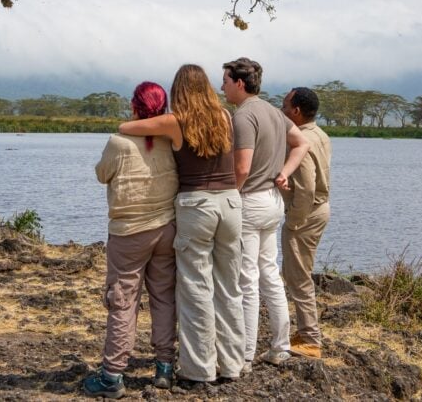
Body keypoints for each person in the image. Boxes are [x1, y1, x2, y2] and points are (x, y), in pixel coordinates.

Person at [119, 64, 246, 383]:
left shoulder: (177, 121)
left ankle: (198, 369)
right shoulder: (225, 117)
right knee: (229, 288)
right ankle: (232, 365)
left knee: (195, 289)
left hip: (197, 205)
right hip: (231, 202)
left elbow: (127, 128)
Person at [83, 82, 179, 398]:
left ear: (135, 107)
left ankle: (112, 375)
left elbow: (101, 174)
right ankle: (164, 367)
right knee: (163, 296)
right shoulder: (170, 140)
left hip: (128, 233)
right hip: (165, 228)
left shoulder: (118, 142)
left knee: (123, 301)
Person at [221, 57, 309, 369]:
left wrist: (227, 194)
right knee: (269, 274)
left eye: (226, 81)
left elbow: (242, 167)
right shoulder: (273, 111)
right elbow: (302, 143)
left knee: (246, 279)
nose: (222, 87)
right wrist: (284, 172)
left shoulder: (243, 116)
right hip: (272, 202)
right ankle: (280, 346)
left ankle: (244, 355)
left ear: (239, 83)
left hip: (250, 202)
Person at [280, 87, 332, 359]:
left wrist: (293, 221)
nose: (281, 110)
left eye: (285, 105)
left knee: (298, 276)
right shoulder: (319, 134)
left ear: (296, 111)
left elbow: (306, 187)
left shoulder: (301, 140)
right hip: (318, 209)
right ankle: (304, 332)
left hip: (306, 213)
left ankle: (310, 339)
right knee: (297, 273)